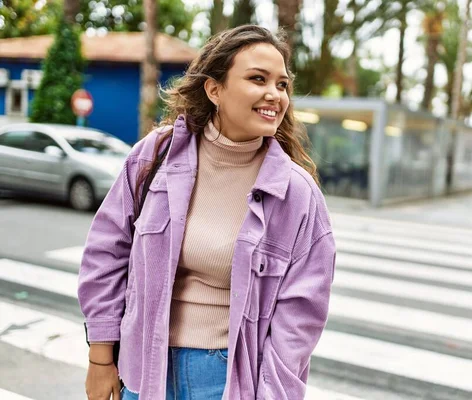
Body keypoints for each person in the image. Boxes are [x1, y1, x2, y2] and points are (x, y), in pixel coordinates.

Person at [78, 25, 336, 400]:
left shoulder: (297, 194)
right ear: (214, 89)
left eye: (282, 84)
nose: (274, 95)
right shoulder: (156, 157)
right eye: (257, 79)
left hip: (227, 379)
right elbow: (106, 254)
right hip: (143, 367)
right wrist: (100, 359)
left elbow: (300, 318)